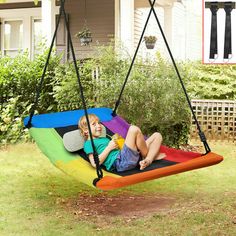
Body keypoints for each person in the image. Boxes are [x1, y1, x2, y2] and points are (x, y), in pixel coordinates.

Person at [78, 114, 166, 172]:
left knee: (157, 135)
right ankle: (149, 157)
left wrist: (120, 144)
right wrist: (109, 148)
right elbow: (95, 164)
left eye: (99, 123)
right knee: (133, 129)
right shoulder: (88, 143)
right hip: (120, 162)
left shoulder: (104, 138)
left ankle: (147, 159)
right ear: (86, 131)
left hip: (125, 156)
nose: (99, 125)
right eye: (94, 124)